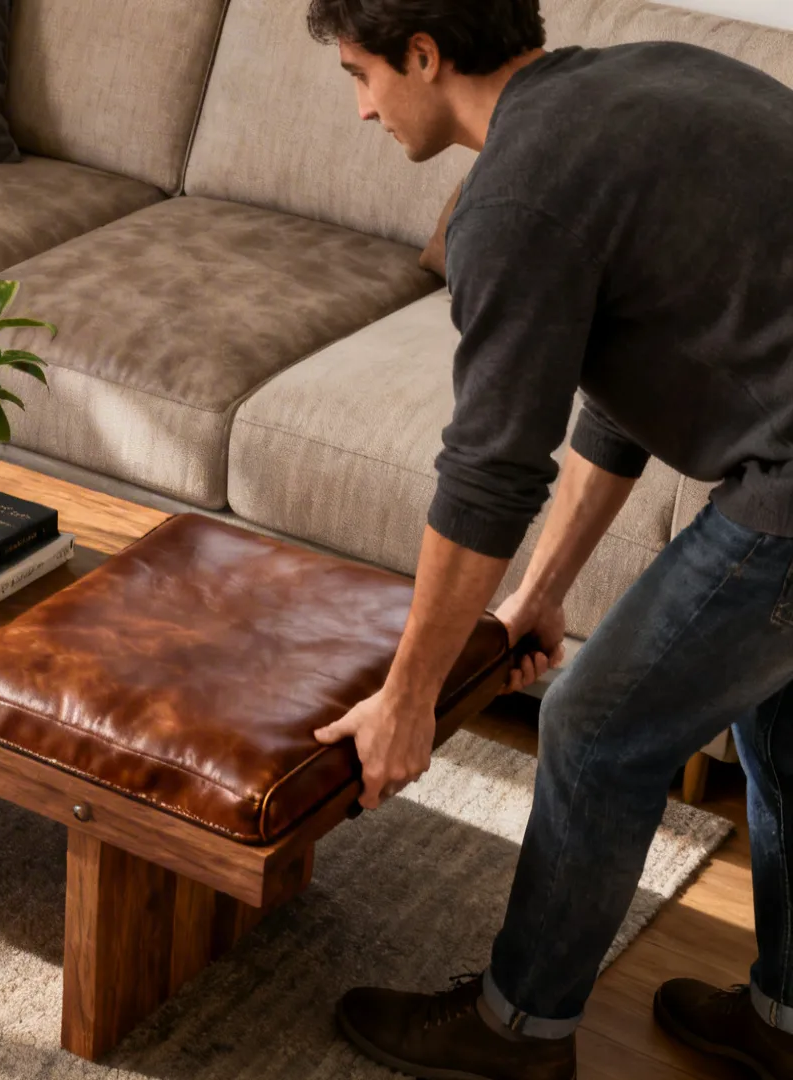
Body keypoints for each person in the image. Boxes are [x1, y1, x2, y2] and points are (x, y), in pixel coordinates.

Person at [299, 1, 793, 1077]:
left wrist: (408, 696)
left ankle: (517, 1032)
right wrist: (538, 594)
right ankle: (785, 1022)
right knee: (782, 725)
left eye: (360, 73)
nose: (361, 107)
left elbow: (487, 475)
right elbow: (628, 387)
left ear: (423, 55)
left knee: (595, 725)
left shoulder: (518, 194)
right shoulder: (640, 81)